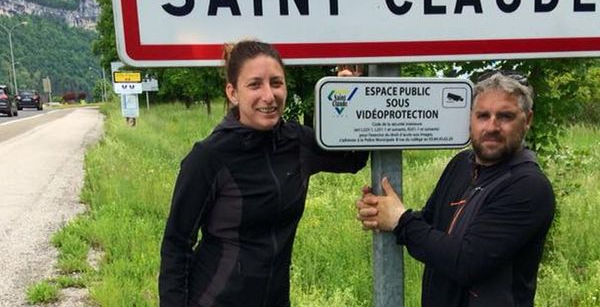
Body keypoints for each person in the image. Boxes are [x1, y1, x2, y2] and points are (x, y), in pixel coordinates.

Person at [159, 39, 368, 307]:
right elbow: (176, 244)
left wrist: (353, 93)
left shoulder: (298, 142)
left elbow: (353, 158)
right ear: (233, 93)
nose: (269, 96)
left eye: (276, 83)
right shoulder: (209, 157)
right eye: (255, 84)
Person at [356, 71, 555, 307]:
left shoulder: (528, 187)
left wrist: (401, 221)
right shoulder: (461, 164)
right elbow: (430, 226)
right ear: (470, 118)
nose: (492, 126)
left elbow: (466, 263)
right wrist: (384, 211)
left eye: (505, 116)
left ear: (527, 119)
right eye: (482, 115)